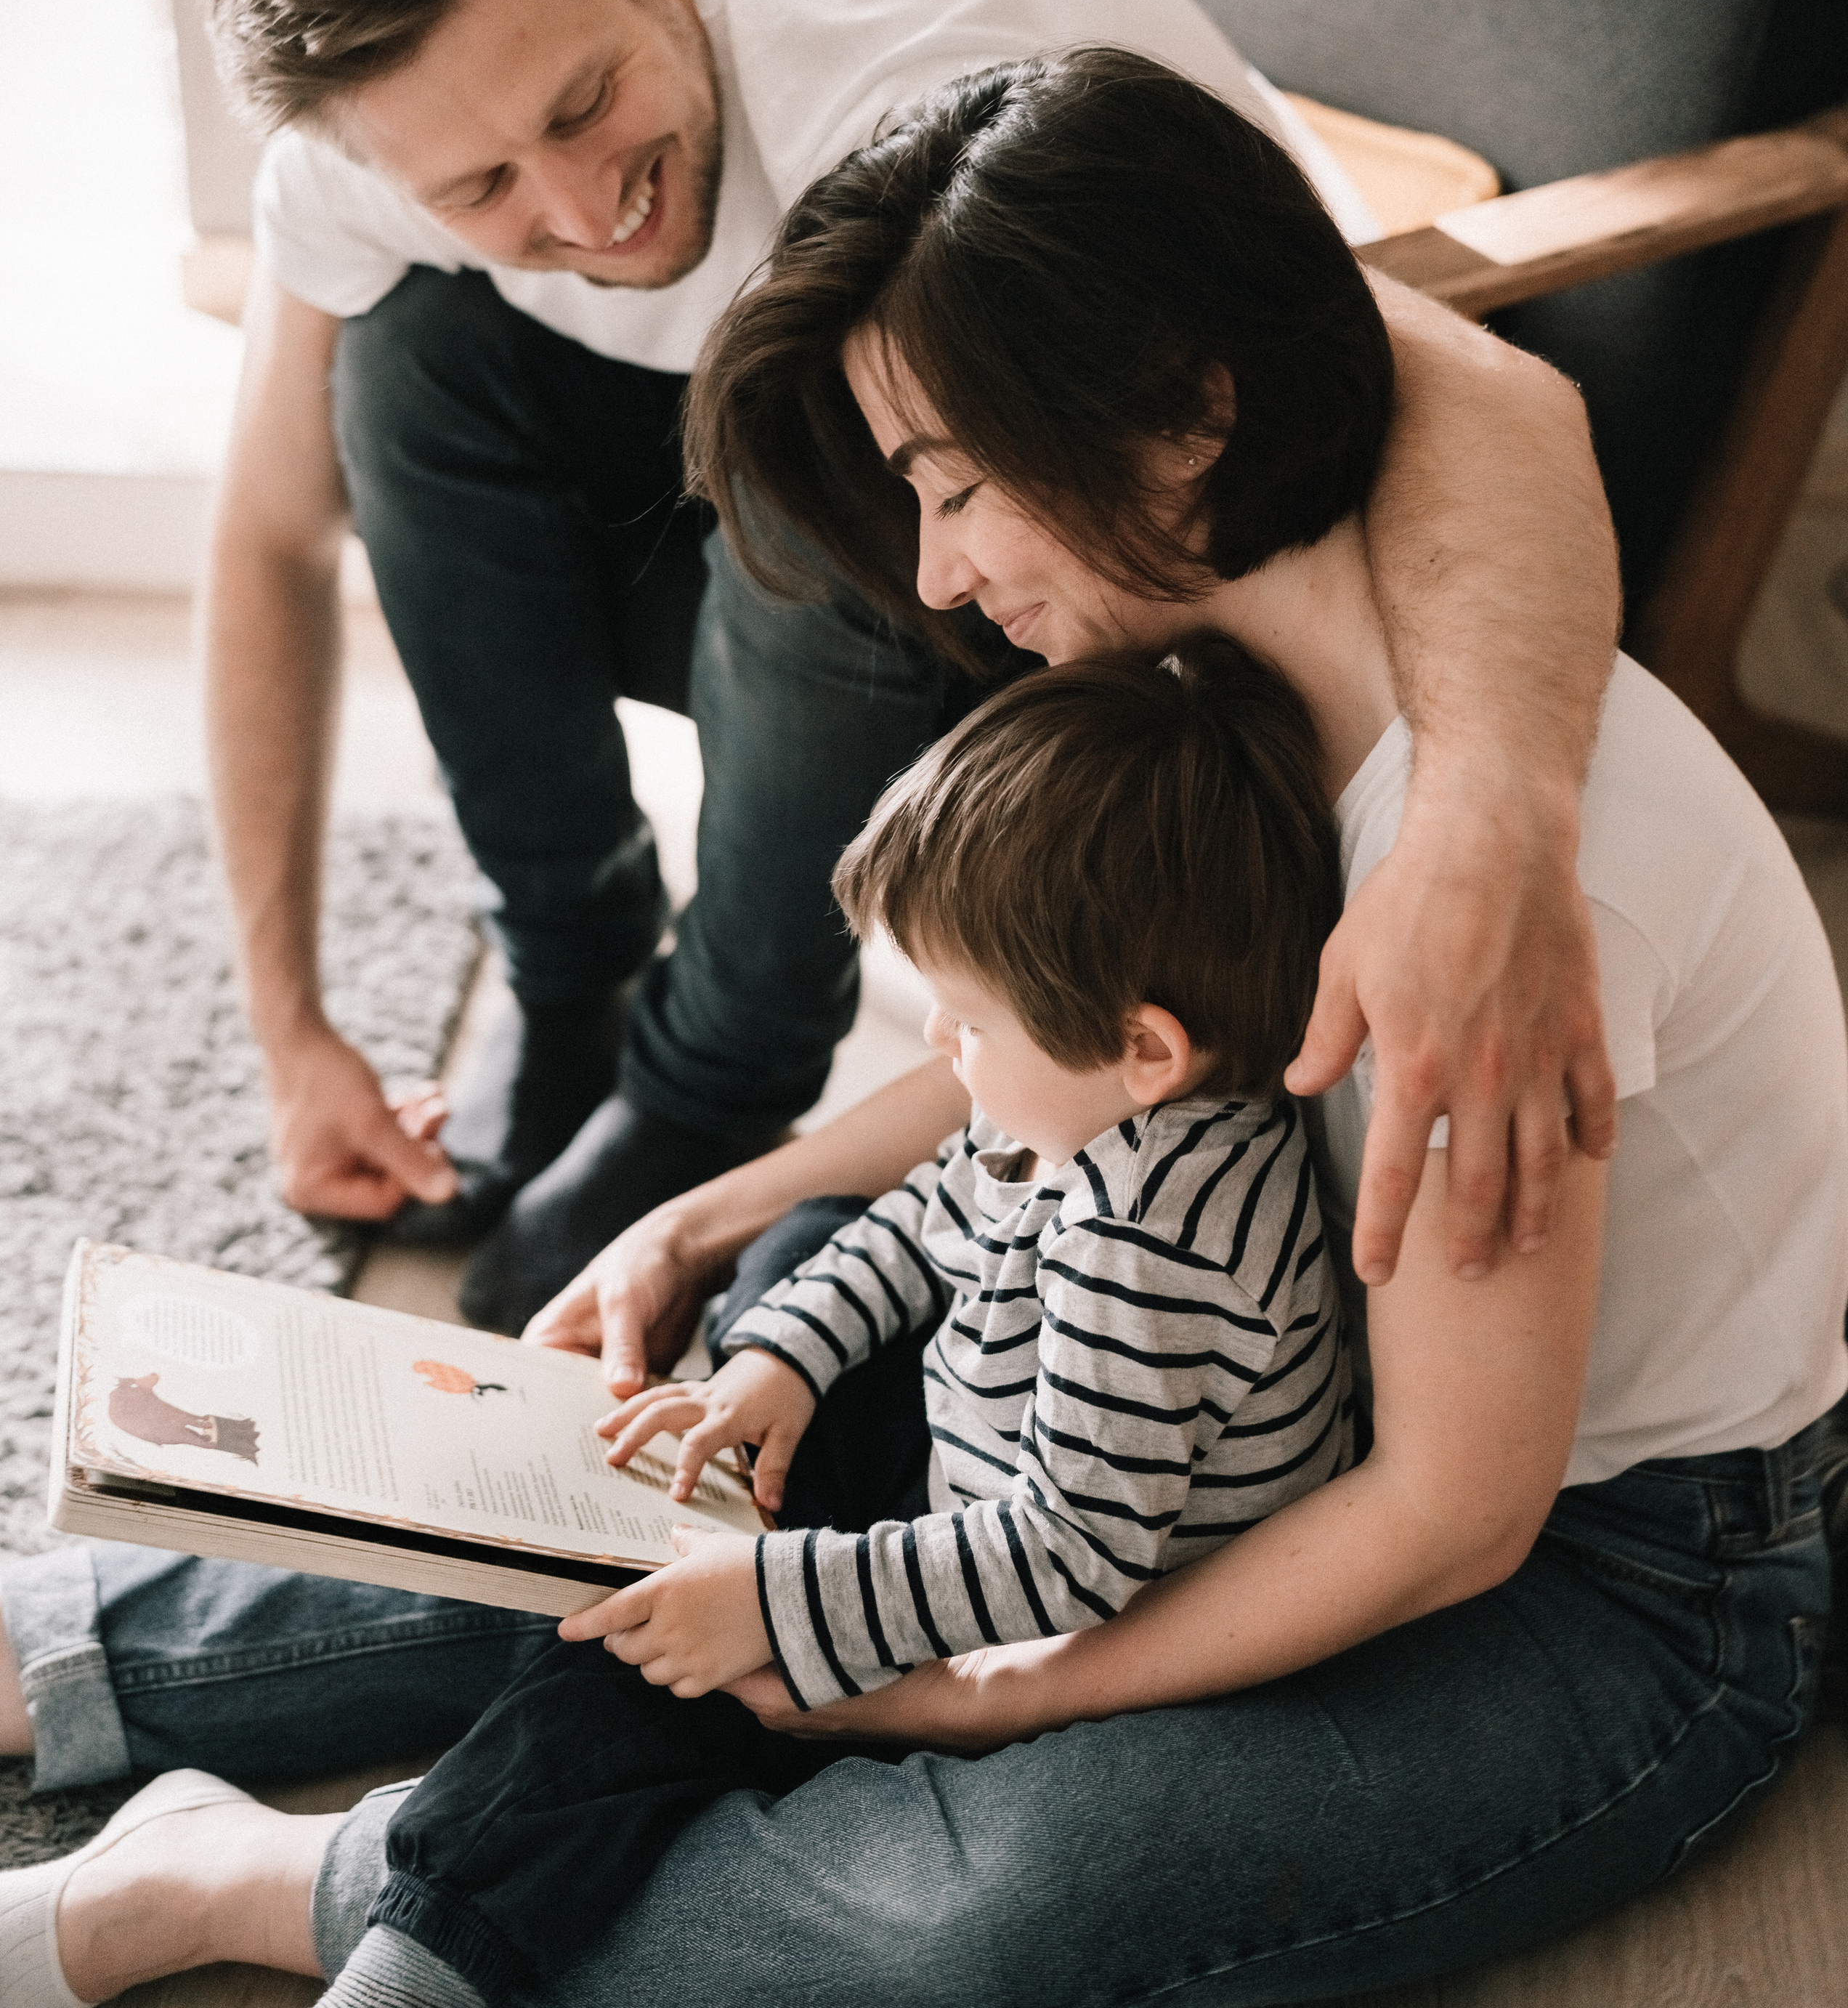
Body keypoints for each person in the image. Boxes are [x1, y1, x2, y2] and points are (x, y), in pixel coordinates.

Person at [0, 49, 1844, 2006]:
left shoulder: (1522, 898)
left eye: (958, 487)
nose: (944, 571)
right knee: (740, 1388)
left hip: (1620, 1568)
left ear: (1187, 414)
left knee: (1021, 1902)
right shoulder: (1201, 673)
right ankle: (76, 1650)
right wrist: (719, 1211)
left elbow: (1451, 1514)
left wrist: (976, 1699)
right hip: (1234, 1387)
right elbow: (1041, 1071)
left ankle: (274, 1881)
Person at [199, 0, 1623, 1332]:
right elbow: (269, 534)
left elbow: (1487, 395)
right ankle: (566, 969)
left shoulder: (907, 70)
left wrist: (1488, 831)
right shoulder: (369, 141)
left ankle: (712, 1075)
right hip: (797, 549)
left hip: (1054, 589)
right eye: (480, 187)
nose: (580, 207)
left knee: (810, 477)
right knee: (402, 360)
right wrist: (290, 1028)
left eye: (583, 102)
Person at [259, 634, 1350, 2008]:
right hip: (979, 1470)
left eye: (966, 1022)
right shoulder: (1089, 1115)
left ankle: (426, 1951)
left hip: (1062, 1604)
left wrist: (779, 1603)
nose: (944, 1055)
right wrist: (783, 1357)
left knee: (645, 1664)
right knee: (687, 1494)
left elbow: (1071, 1555)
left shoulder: (1159, 1249)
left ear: (1146, 1048)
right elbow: (916, 1223)